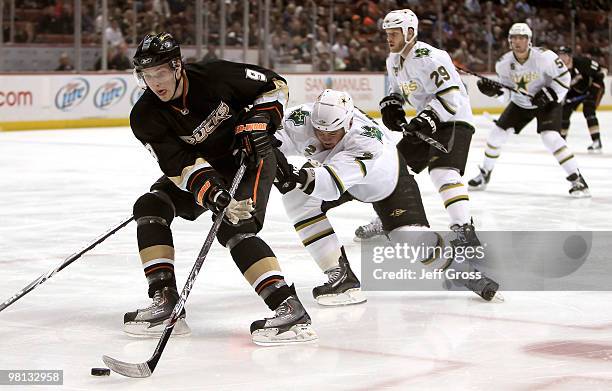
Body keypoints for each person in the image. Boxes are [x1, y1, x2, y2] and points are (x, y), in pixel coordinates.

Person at [125, 32, 316, 345]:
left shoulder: (216, 76)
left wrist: (257, 123)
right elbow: (180, 165)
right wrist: (214, 193)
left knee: (233, 227)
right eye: (147, 75)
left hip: (250, 158)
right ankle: (165, 299)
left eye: (160, 72)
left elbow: (274, 86)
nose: (155, 82)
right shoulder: (145, 116)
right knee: (150, 205)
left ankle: (289, 308)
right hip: (209, 168)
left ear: (177, 66)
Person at [274, 89, 500, 303]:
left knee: (409, 238)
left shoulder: (366, 140)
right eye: (319, 131)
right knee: (296, 198)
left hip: (387, 182)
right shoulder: (302, 117)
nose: (324, 137)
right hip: (341, 174)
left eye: (332, 133)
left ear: (348, 122)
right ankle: (341, 276)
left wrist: (291, 174)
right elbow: (274, 140)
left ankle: (464, 272)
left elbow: (330, 184)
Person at [355, 9, 479, 250]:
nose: (389, 39)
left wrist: (427, 118)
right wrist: (392, 104)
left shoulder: (431, 56)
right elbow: (397, 90)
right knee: (392, 170)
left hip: (454, 119)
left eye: (394, 34)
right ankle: (389, 217)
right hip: (427, 120)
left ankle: (464, 229)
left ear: (410, 32)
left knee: (442, 172)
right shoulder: (394, 60)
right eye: (387, 34)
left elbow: (451, 96)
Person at [468, 23, 590, 198]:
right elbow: (508, 95)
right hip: (521, 103)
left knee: (551, 138)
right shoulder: (503, 64)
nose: (518, 42)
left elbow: (564, 78)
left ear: (529, 41)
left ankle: (577, 180)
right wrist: (496, 94)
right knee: (496, 135)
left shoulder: (545, 57)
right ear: (509, 41)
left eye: (522, 38)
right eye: (514, 38)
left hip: (548, 103)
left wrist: (550, 94)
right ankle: (484, 174)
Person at [558, 46, 605, 153]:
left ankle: (597, 141)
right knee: (564, 112)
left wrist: (593, 89)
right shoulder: (558, 69)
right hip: (576, 91)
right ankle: (561, 142)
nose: (562, 58)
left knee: (588, 110)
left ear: (570, 56)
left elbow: (602, 71)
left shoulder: (582, 63)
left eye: (564, 55)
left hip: (594, 87)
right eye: (560, 55)